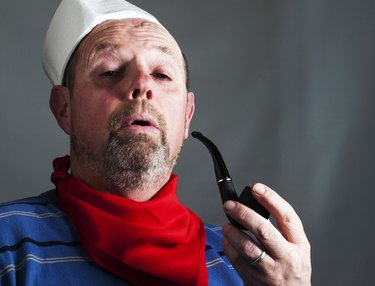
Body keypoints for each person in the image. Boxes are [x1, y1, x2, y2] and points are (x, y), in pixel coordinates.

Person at [0, 0, 312, 285]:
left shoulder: (244, 264)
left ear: (187, 115)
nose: (142, 84)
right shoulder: (8, 244)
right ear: (65, 109)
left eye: (162, 74)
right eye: (109, 71)